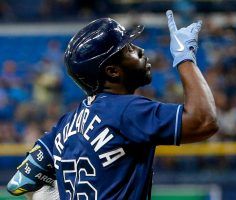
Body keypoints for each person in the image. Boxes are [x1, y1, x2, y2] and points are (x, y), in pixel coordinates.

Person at [7, 10, 218, 200]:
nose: (140, 50)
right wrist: (185, 58)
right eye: (128, 48)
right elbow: (204, 121)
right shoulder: (127, 110)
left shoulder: (66, 123)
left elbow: (20, 182)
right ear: (112, 71)